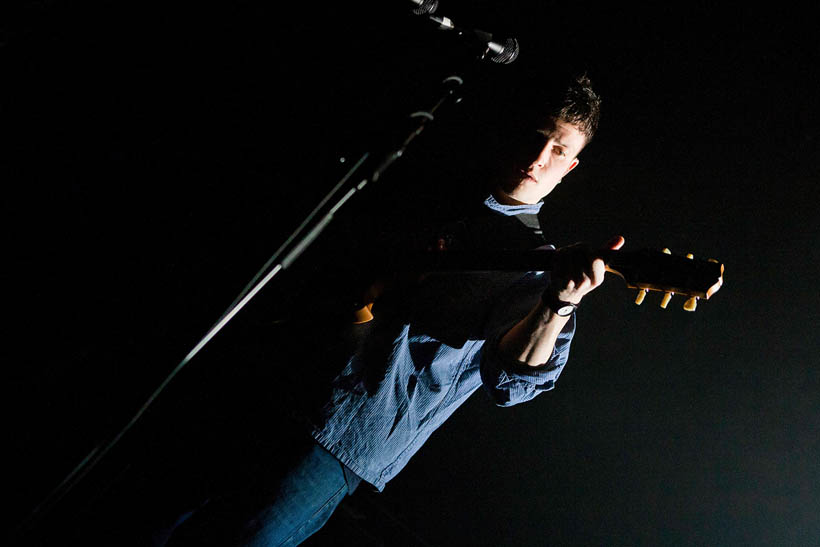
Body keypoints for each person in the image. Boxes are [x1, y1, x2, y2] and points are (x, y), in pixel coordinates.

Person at [145, 74, 621, 546]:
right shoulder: (430, 192)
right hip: (270, 376)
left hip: (337, 436)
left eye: (558, 150)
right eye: (537, 139)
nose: (539, 159)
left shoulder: (536, 270)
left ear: (570, 167)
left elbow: (512, 383)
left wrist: (560, 301)